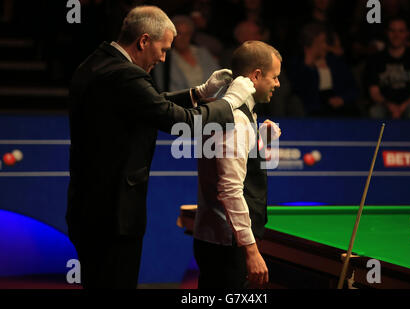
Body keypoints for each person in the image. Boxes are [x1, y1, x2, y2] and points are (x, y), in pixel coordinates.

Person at [66, 5, 256, 289]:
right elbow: (177, 121)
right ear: (144, 40)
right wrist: (228, 103)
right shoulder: (125, 75)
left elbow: (149, 104)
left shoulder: (98, 61)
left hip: (88, 210)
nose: (164, 57)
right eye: (163, 49)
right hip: (113, 218)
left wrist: (197, 94)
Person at [193, 41, 282, 288]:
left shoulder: (232, 110)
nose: (277, 84)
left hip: (221, 240)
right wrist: (251, 251)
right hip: (226, 244)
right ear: (256, 76)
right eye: (274, 77)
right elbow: (230, 190)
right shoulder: (236, 120)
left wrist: (257, 138)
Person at [288, 23, 359, 117]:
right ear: (312, 43)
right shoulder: (298, 64)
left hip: (338, 108)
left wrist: (342, 99)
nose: (325, 46)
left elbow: (353, 89)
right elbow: (298, 91)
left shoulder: (334, 62)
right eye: (322, 42)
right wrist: (310, 67)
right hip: (312, 110)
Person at [367, 17, 410, 119]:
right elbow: (374, 92)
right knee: (375, 111)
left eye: (401, 31)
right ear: (387, 33)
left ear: (407, 33)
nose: (396, 35)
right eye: (392, 31)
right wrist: (390, 105)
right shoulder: (376, 59)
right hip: (385, 105)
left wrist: (403, 107)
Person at [152, 15, 220, 92]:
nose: (183, 38)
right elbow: (163, 89)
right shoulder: (165, 59)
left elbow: (218, 77)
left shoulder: (202, 52)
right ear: (172, 36)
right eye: (180, 34)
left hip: (212, 98)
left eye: (187, 34)